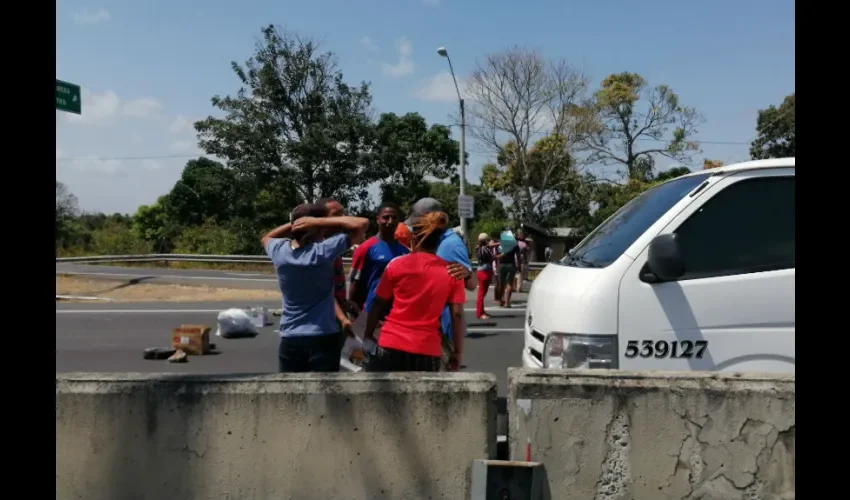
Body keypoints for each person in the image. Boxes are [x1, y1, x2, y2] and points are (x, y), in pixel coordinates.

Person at [261, 204, 369, 372]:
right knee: (324, 394)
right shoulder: (323, 251)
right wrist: (319, 222)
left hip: (291, 337)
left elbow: (266, 237)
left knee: (291, 393)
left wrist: (294, 223)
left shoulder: (279, 252)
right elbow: (362, 224)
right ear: (316, 229)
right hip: (323, 336)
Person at [361, 211, 467, 371]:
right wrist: (457, 352)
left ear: (414, 238)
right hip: (427, 348)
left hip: (391, 343)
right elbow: (457, 315)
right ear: (439, 241)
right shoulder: (454, 272)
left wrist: (368, 335)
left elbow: (378, 303)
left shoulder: (395, 265)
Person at [404, 198, 478, 344]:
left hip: (441, 328)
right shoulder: (433, 241)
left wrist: (467, 273)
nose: (415, 229)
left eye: (418, 225)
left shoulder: (451, 244)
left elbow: (470, 284)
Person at [349, 202, 410, 315]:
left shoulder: (405, 251)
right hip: (370, 314)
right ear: (378, 219)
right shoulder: (365, 248)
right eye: (386, 218)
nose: (390, 221)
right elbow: (354, 290)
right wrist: (358, 319)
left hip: (396, 316)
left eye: (394, 218)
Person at [474, 233, 497, 320]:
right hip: (485, 271)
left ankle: (481, 311)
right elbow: (493, 257)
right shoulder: (485, 249)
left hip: (481, 270)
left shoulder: (478, 248)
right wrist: (502, 255)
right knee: (481, 293)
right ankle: (480, 313)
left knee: (482, 293)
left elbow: (490, 246)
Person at [495, 232, 520, 308]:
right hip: (511, 264)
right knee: (509, 284)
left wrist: (496, 265)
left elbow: (496, 254)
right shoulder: (514, 244)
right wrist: (518, 265)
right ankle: (507, 302)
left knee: (501, 284)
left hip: (501, 264)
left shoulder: (500, 244)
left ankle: (500, 301)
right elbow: (518, 256)